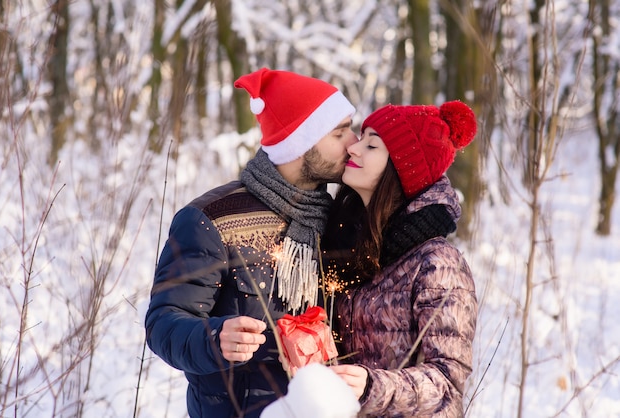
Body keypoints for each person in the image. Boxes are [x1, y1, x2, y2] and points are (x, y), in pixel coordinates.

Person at [145, 67, 356, 418]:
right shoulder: (210, 219)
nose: (353, 142)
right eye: (339, 133)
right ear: (301, 143)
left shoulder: (339, 221)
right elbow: (163, 322)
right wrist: (215, 338)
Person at [323, 101, 479, 417]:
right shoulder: (346, 242)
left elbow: (446, 384)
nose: (354, 149)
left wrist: (371, 387)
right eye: (360, 137)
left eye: (372, 145)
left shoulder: (437, 263)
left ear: (402, 166)